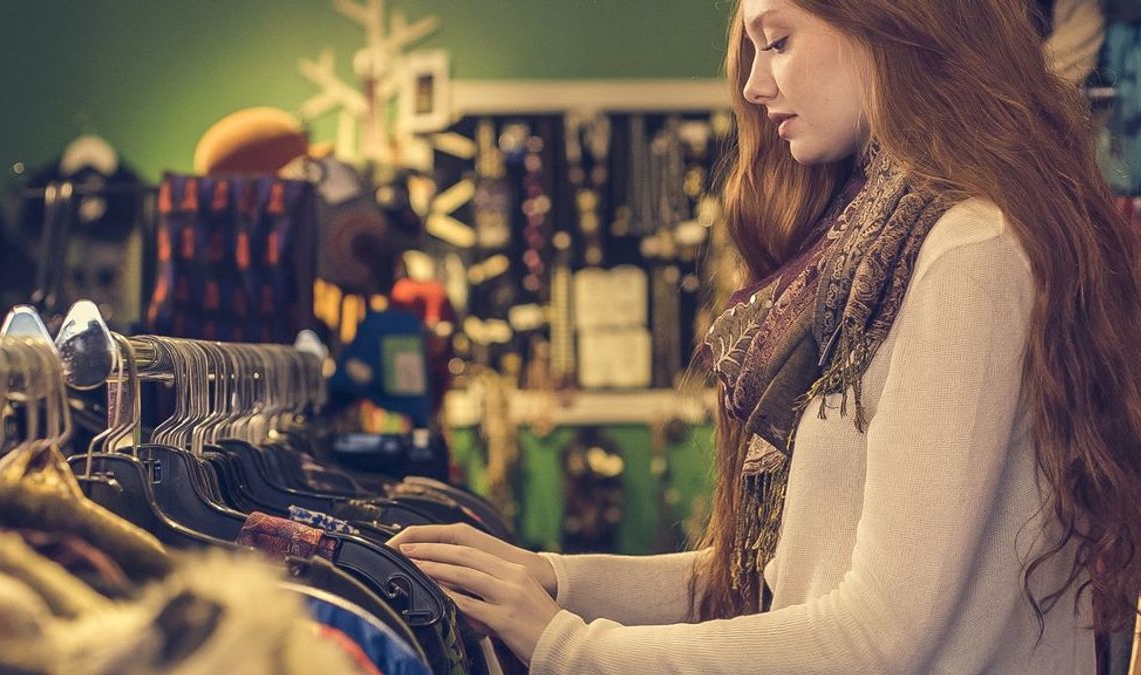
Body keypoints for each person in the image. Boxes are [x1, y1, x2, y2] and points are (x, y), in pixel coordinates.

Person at [388, 0, 1141, 672]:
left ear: (891, 21)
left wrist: (572, 648)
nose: (752, 83)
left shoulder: (965, 252)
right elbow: (785, 576)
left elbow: (878, 633)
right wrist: (554, 578)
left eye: (776, 41)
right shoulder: (874, 255)